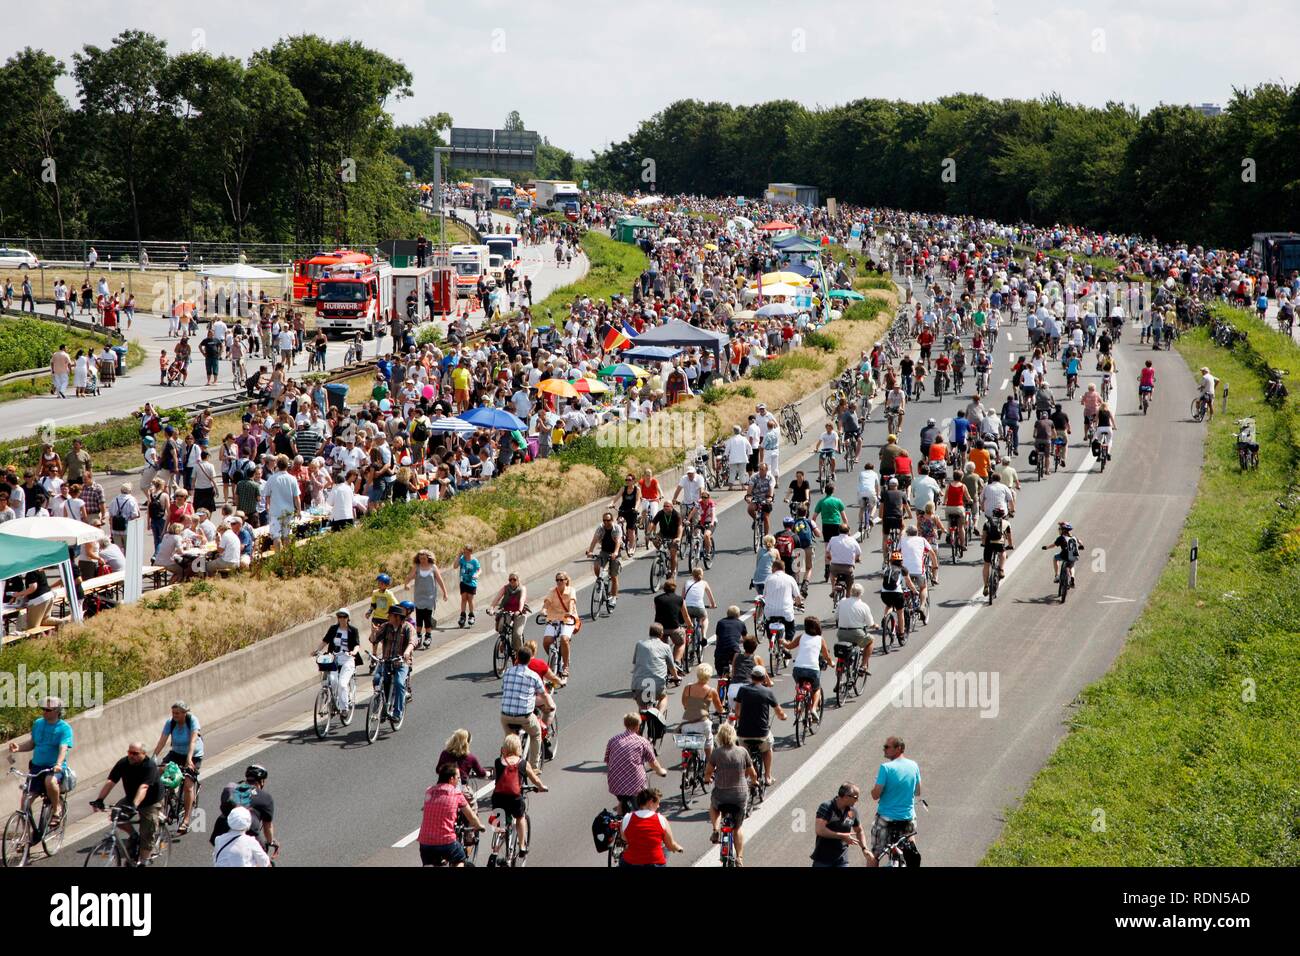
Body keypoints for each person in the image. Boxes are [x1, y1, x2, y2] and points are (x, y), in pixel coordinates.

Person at [89, 741, 163, 866]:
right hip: (131, 797)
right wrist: (100, 799)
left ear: (143, 754)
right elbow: (111, 781)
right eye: (129, 752)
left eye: (135, 753)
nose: (131, 756)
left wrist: (134, 805)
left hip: (150, 800)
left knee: (147, 831)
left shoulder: (149, 766)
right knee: (115, 815)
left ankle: (144, 861)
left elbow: (144, 787)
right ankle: (133, 835)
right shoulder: (123, 763)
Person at [7, 696, 72, 828]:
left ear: (57, 711)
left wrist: (59, 764)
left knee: (50, 781)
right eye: (43, 709)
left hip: (53, 768)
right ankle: (26, 834)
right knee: (25, 803)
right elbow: (32, 743)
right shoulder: (38, 723)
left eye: (48, 710)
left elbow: (63, 748)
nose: (44, 712)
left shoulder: (64, 728)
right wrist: (18, 748)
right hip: (36, 767)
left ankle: (56, 810)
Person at [490, 733, 547, 861]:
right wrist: (542, 787)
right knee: (520, 817)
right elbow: (534, 779)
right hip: (514, 798)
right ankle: (522, 846)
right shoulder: (523, 763)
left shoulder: (498, 762)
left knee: (498, 819)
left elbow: (496, 778)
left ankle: (495, 848)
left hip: (498, 798)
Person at [150, 700, 204, 834]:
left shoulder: (192, 721)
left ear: (185, 713)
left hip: (193, 755)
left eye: (178, 713)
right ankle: (170, 796)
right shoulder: (170, 723)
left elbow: (193, 741)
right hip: (176, 753)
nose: (174, 715)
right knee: (159, 773)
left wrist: (189, 759)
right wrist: (154, 756)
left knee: (187, 784)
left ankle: (185, 820)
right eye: (173, 713)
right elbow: (162, 740)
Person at [868, 737, 922, 867]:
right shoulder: (913, 765)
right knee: (910, 846)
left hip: (886, 818)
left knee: (875, 854)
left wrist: (877, 786)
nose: (884, 749)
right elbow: (918, 791)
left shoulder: (886, 768)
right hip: (907, 817)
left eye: (887, 747)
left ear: (899, 749)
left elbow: (875, 795)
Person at [499, 646, 554, 771]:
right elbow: (544, 694)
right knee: (536, 734)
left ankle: (506, 763)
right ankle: (533, 767)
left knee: (510, 739)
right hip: (524, 717)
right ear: (529, 660)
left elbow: (504, 689)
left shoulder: (508, 672)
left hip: (505, 716)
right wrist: (549, 706)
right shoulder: (533, 676)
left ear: (517, 658)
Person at [419, 763, 484, 867]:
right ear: (451, 779)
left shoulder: (429, 791)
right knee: (459, 859)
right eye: (458, 777)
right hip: (446, 842)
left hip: (425, 842)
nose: (459, 780)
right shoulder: (456, 794)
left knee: (429, 862)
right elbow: (471, 816)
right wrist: (479, 826)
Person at [733, 663, 786, 785]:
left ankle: (745, 775)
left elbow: (737, 711)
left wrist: (741, 716)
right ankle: (767, 776)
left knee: (744, 754)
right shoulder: (768, 692)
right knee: (767, 749)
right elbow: (779, 712)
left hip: (743, 734)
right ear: (763, 678)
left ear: (751, 676)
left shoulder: (743, 690)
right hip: (761, 734)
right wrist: (783, 717)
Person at [605, 713, 668, 814]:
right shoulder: (643, 742)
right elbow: (653, 763)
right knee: (640, 806)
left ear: (625, 724)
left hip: (615, 783)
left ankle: (620, 822)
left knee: (622, 800)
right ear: (638, 726)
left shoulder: (613, 740)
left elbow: (608, 760)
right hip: (635, 785)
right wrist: (661, 771)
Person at [370, 604, 416, 720]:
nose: (388, 617)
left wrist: (406, 652)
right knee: (377, 680)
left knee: (399, 683)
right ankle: (380, 707)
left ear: (397, 617)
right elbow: (374, 640)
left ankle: (397, 713)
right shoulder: (386, 626)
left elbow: (412, 642)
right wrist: (373, 632)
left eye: (390, 615)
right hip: (386, 661)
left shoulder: (408, 628)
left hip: (401, 663)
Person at [619, 787, 684, 867]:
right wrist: (677, 847)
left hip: (631, 863)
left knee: (622, 857)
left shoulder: (627, 818)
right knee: (666, 848)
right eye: (658, 803)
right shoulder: (661, 819)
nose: (659, 806)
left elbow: (624, 838)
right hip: (654, 864)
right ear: (650, 802)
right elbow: (670, 844)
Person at [314, 609, 361, 715]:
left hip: (347, 659)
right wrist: (317, 651)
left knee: (342, 684)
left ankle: (344, 708)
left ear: (348, 618)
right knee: (332, 680)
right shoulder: (333, 629)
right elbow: (325, 641)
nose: (342, 619)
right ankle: (333, 702)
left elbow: (357, 644)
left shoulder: (353, 630)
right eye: (339, 617)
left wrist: (353, 652)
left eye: (344, 617)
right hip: (333, 659)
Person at [812, 783, 870, 867]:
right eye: (856, 797)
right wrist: (842, 836)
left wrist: (864, 848)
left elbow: (859, 831)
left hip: (842, 859)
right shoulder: (827, 807)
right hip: (823, 858)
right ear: (846, 797)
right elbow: (819, 830)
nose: (857, 800)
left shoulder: (852, 812)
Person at [785, 616, 832, 719]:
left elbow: (789, 646)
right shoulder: (820, 639)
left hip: (798, 670)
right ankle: (813, 709)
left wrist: (782, 642)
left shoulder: (801, 637)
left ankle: (799, 702)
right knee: (816, 689)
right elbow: (826, 656)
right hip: (812, 670)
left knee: (800, 683)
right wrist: (831, 663)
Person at [632, 622, 679, 717]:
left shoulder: (640, 644)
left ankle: (641, 717)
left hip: (638, 684)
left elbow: (635, 662)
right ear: (661, 634)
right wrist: (676, 677)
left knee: (642, 706)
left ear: (649, 633)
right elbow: (671, 666)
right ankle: (659, 716)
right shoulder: (665, 647)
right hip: (657, 685)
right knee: (663, 697)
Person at [679, 663, 725, 758]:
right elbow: (719, 709)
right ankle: (709, 765)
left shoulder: (688, 687)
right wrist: (723, 711)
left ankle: (686, 762)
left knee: (688, 744)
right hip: (702, 723)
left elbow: (684, 703)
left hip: (686, 722)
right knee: (709, 742)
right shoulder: (711, 691)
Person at [407, 550, 449, 648]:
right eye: (420, 558)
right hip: (419, 597)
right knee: (419, 617)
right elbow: (409, 577)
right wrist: (407, 584)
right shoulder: (417, 567)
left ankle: (428, 636)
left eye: (424, 558)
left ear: (428, 558)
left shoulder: (433, 567)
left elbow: (440, 580)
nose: (422, 560)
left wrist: (445, 593)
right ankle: (418, 637)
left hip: (430, 597)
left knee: (427, 618)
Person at [541, 571, 578, 680]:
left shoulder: (571, 590)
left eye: (561, 580)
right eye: (557, 580)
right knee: (546, 641)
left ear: (566, 581)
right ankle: (554, 659)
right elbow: (547, 602)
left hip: (568, 618)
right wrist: (543, 610)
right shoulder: (552, 591)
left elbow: (571, 602)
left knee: (564, 639)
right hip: (553, 618)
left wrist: (570, 612)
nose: (559, 582)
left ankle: (565, 666)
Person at [585, 511, 623, 608]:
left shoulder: (616, 528)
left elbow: (618, 541)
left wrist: (615, 553)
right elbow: (594, 539)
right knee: (596, 566)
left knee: (614, 577)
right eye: (604, 520)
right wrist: (590, 551)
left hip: (615, 553)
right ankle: (600, 582)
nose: (606, 522)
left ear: (612, 520)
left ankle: (614, 597)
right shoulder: (601, 528)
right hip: (604, 552)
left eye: (608, 520)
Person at [835, 582, 874, 668]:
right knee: (870, 642)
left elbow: (836, 616)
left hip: (841, 633)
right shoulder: (864, 606)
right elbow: (870, 624)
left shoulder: (842, 601)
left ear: (851, 591)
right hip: (856, 633)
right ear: (861, 593)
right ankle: (863, 665)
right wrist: (875, 625)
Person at [980, 507, 1014, 594]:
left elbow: (983, 536)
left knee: (986, 564)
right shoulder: (1006, 523)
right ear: (1003, 515)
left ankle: (986, 586)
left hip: (989, 545)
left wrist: (983, 543)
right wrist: (1010, 545)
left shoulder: (987, 522)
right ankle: (1001, 570)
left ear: (993, 514)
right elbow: (1009, 537)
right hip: (999, 544)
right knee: (1003, 552)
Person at [1043, 520, 1084, 589]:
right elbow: (1080, 542)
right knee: (1071, 566)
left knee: (1055, 558)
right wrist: (1081, 546)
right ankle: (1072, 578)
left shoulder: (1061, 538)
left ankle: (1057, 576)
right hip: (1074, 556)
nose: (1058, 530)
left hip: (1064, 555)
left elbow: (1053, 545)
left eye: (1059, 529)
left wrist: (1046, 547)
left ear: (1063, 530)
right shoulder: (1073, 537)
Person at [456, 543, 481, 627]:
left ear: (470, 552)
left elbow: (479, 570)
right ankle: (462, 616)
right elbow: (455, 566)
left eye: (467, 552)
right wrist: (458, 556)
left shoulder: (474, 561)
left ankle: (471, 615)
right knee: (463, 598)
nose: (465, 554)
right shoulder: (462, 559)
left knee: (470, 599)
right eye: (464, 552)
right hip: (463, 581)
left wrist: (476, 575)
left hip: (471, 582)